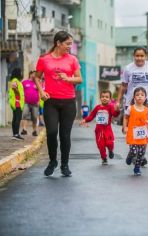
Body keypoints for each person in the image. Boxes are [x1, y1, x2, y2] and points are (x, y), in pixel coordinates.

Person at [34, 31, 82, 177]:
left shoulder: (72, 59)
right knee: (52, 132)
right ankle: (53, 161)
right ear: (58, 43)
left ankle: (64, 165)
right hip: (51, 101)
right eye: (67, 44)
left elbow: (79, 79)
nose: (70, 46)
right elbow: (37, 77)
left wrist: (68, 78)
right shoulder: (44, 59)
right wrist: (42, 92)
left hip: (68, 101)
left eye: (71, 44)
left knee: (65, 135)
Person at [80, 90, 119, 165]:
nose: (104, 98)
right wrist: (85, 120)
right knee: (101, 146)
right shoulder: (97, 108)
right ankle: (104, 158)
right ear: (100, 98)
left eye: (107, 97)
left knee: (110, 143)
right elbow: (91, 116)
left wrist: (117, 110)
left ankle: (110, 150)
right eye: (103, 97)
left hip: (108, 130)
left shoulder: (110, 107)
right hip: (99, 130)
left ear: (110, 99)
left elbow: (114, 114)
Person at [123, 87, 148, 176]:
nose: (140, 96)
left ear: (145, 97)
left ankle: (137, 167)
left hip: (143, 135)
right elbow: (125, 117)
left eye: (142, 95)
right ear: (134, 97)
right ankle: (129, 157)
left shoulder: (147, 110)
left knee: (141, 152)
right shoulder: (130, 108)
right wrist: (125, 127)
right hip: (132, 133)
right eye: (137, 95)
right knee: (133, 151)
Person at [21, 71, 39, 136]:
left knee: (34, 117)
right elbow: (20, 90)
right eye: (35, 74)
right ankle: (24, 130)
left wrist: (38, 88)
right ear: (30, 74)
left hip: (35, 103)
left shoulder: (37, 82)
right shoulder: (24, 82)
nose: (36, 75)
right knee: (25, 116)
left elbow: (42, 90)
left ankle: (34, 131)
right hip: (26, 102)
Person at [8, 68, 25, 140]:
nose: (21, 73)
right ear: (18, 73)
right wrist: (17, 92)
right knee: (17, 118)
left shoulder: (15, 80)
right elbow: (14, 88)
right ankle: (16, 134)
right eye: (20, 72)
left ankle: (14, 134)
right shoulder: (15, 80)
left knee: (15, 118)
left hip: (16, 102)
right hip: (17, 102)